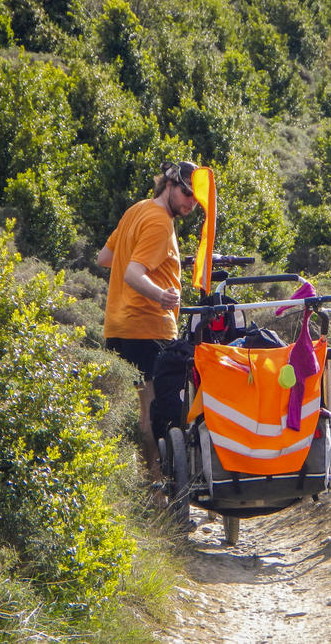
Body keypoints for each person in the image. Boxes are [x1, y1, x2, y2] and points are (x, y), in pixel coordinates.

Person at [97, 161, 200, 482]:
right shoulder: (159, 223)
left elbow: (105, 258)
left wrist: (164, 261)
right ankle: (159, 488)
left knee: (143, 409)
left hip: (119, 326)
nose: (190, 202)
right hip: (148, 329)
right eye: (186, 192)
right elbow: (131, 272)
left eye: (197, 199)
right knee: (156, 413)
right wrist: (161, 295)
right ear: (169, 184)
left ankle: (151, 484)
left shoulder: (137, 210)